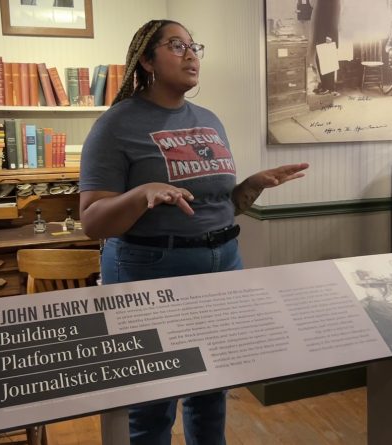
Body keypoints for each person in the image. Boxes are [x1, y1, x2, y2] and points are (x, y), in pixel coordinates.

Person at [79, 19, 309, 445]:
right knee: (151, 402)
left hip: (223, 265)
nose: (191, 55)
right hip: (150, 270)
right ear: (146, 59)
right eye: (176, 45)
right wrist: (142, 194)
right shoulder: (116, 125)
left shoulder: (208, 120)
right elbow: (91, 220)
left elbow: (220, 206)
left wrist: (251, 187)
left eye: (193, 46)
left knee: (211, 390)